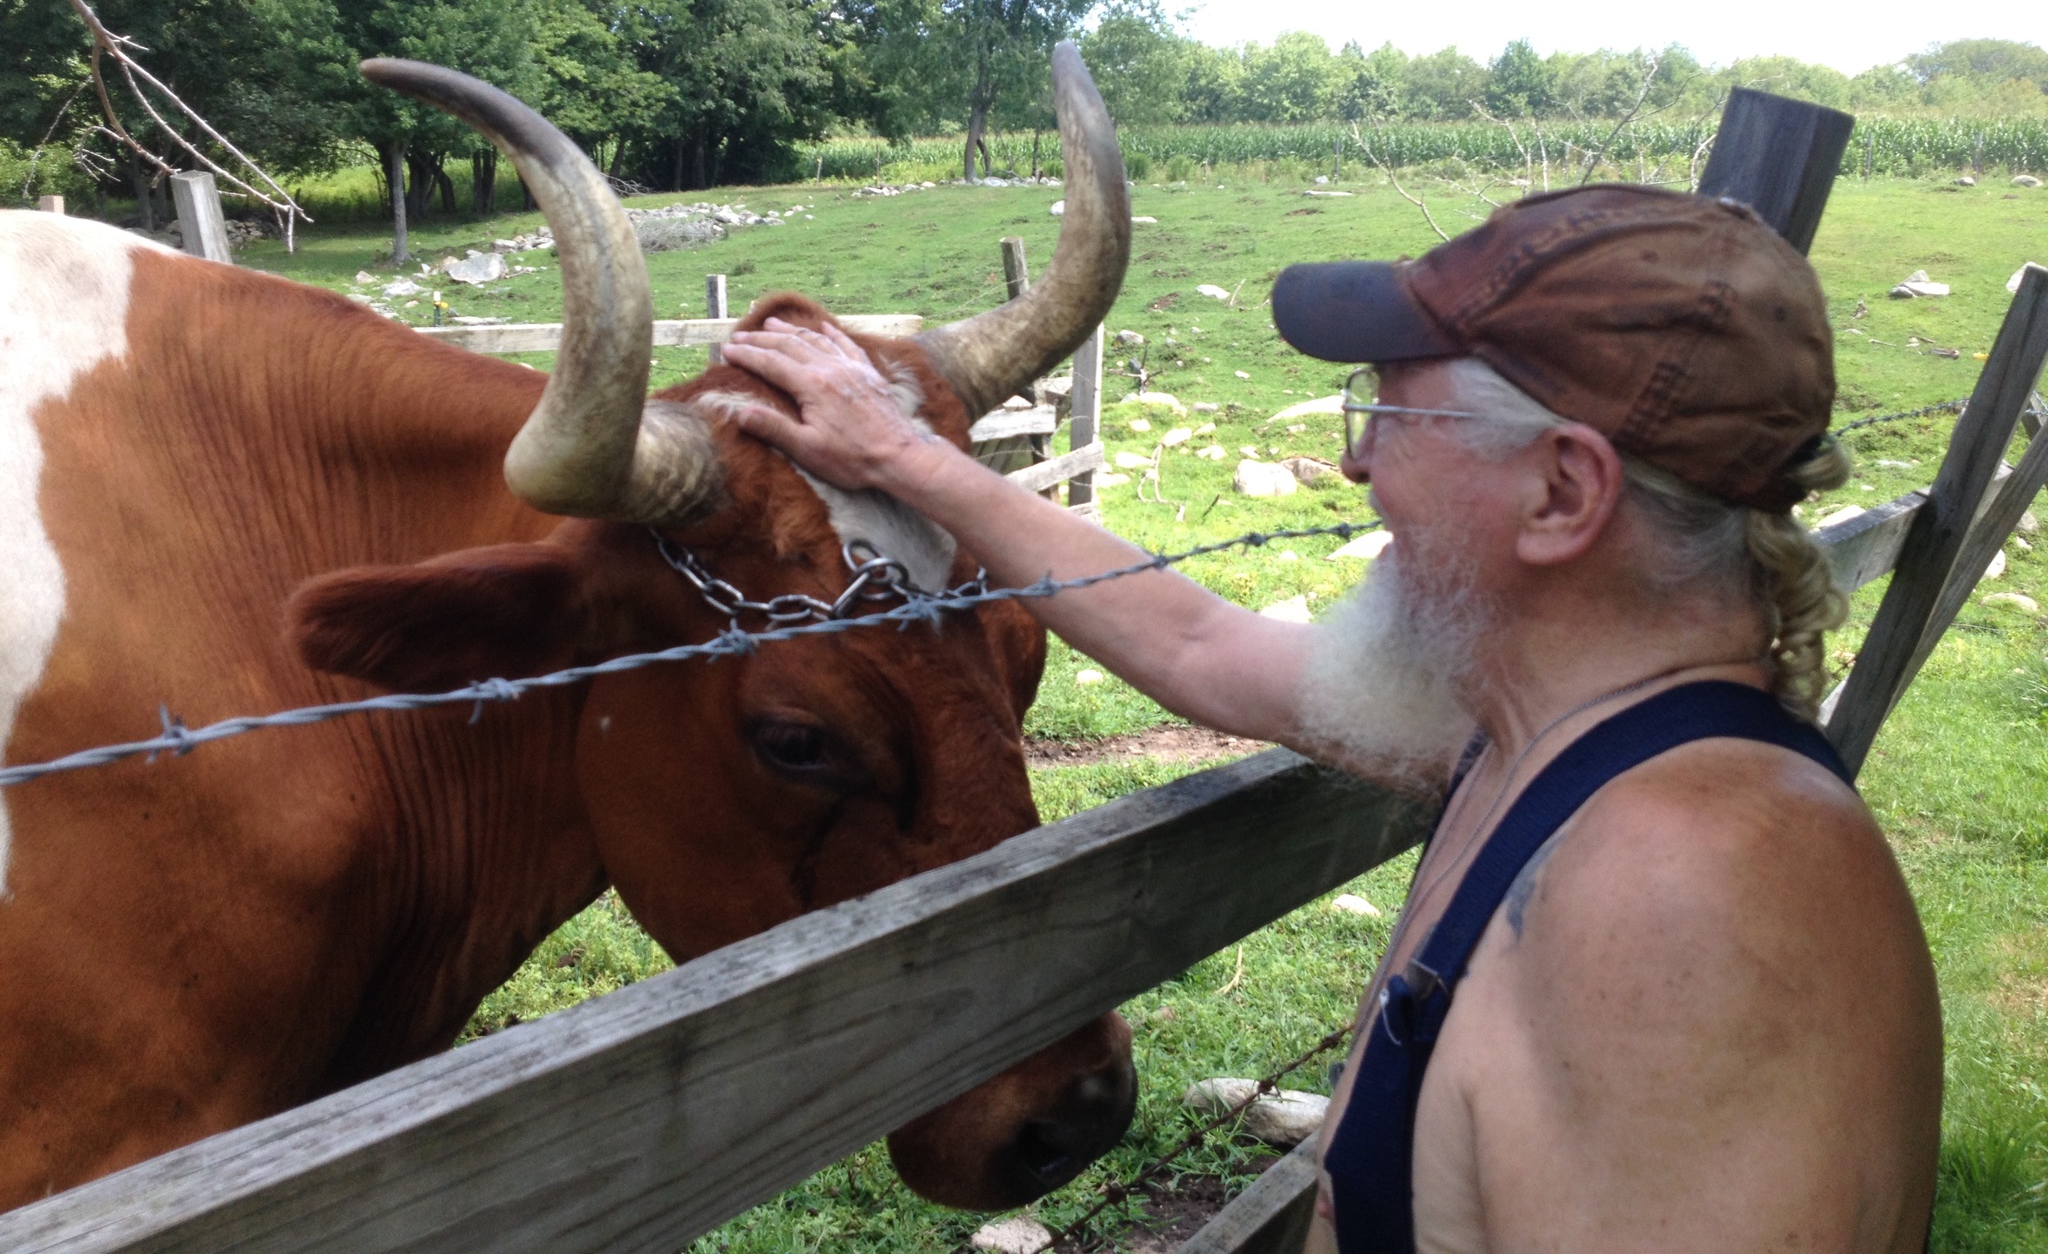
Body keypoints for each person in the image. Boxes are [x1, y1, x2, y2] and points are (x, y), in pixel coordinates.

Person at [723, 183, 1943, 1254]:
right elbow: (1202, 645)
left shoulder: (1677, 900)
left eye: (1389, 417)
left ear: (1562, 492)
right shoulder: (1557, 747)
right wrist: (903, 456)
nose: (1356, 469)